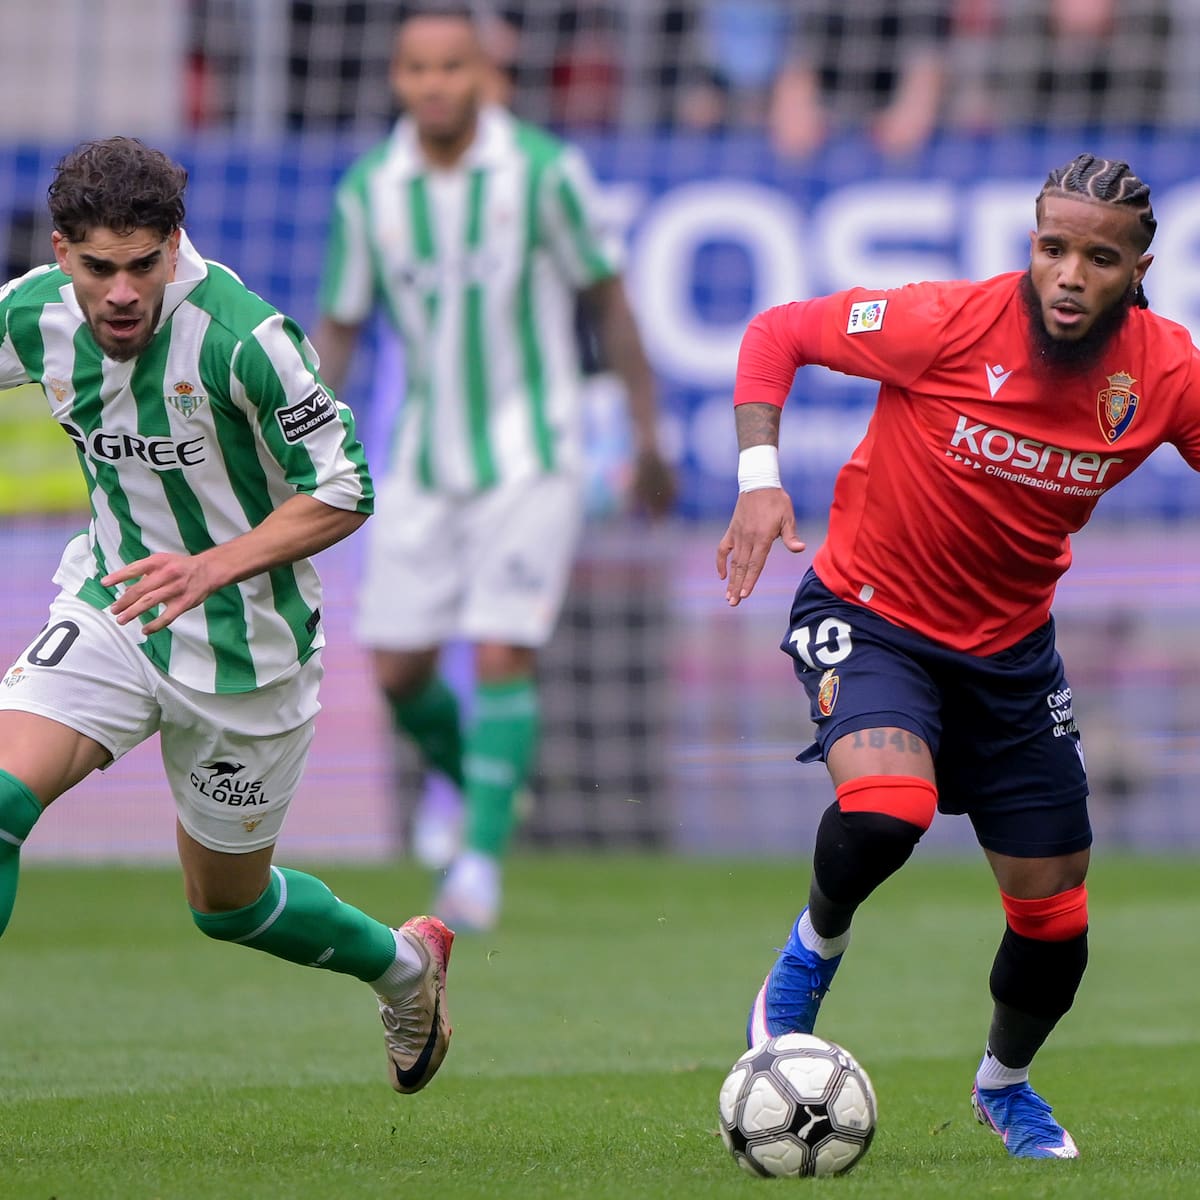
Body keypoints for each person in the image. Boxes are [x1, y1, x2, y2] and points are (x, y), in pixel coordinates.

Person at [716, 153, 1193, 1159]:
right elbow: (777, 335)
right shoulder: (945, 321)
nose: (1070, 273)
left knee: (1057, 922)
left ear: (1139, 268)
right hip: (871, 612)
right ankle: (812, 952)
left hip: (1012, 658)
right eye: (1053, 247)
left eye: (1098, 258)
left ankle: (1004, 1085)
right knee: (891, 808)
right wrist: (760, 478)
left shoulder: (1166, 373)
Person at [0, 136, 453, 1095]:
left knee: (228, 909)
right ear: (62, 251)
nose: (120, 292)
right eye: (97, 269)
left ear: (175, 245)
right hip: (116, 607)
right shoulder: (34, 313)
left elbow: (346, 486)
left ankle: (405, 969)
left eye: (142, 265)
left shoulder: (246, 336)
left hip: (252, 656)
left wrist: (212, 566)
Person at [313, 2, 674, 932]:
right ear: (398, 80)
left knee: (502, 646)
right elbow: (343, 327)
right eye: (417, 69)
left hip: (533, 452)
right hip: (423, 461)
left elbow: (612, 301)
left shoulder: (543, 173)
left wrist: (647, 435)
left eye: (451, 67)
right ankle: (479, 781)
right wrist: (302, 443)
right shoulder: (370, 192)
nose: (434, 84)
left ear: (483, 76)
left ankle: (476, 863)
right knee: (396, 668)